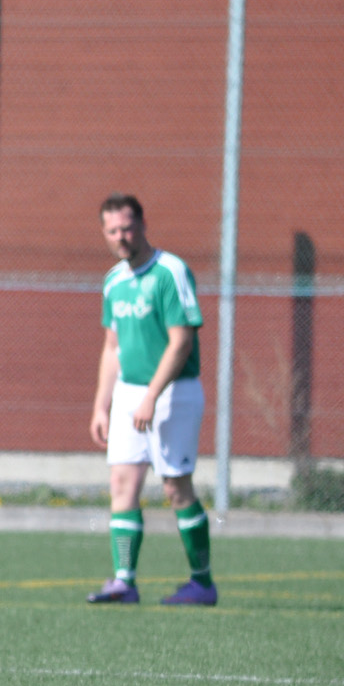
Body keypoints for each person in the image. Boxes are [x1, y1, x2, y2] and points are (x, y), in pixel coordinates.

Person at [87, 194, 216, 606]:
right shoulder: (113, 281)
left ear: (142, 225)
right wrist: (102, 405)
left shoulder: (170, 271)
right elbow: (112, 347)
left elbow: (181, 342)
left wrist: (152, 397)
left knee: (176, 487)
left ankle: (202, 583)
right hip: (129, 393)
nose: (120, 237)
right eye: (112, 231)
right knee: (121, 484)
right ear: (104, 233)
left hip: (174, 392)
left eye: (127, 228)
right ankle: (124, 582)